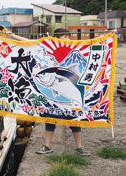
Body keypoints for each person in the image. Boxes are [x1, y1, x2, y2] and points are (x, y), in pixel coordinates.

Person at [6, 28, 91, 156]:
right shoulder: (46, 47)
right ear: (55, 38)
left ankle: (80, 147)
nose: (66, 39)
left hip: (69, 90)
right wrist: (11, 35)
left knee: (75, 120)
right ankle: (47, 146)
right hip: (53, 92)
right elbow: (29, 43)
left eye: (68, 37)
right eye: (63, 36)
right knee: (50, 119)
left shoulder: (75, 48)